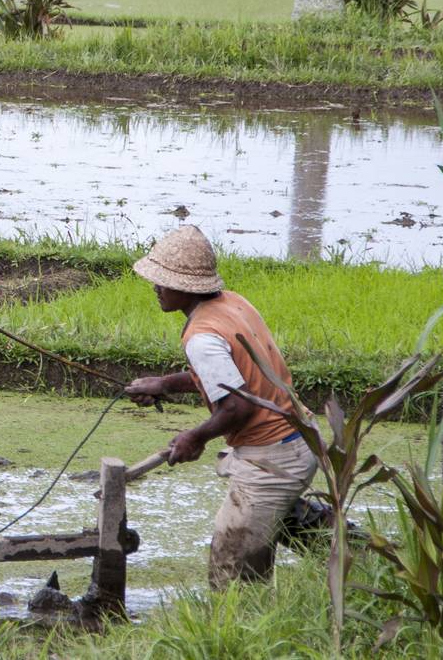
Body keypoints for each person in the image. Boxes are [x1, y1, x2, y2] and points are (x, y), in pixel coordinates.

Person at [123, 225, 317, 588]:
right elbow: (233, 374)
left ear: (185, 287)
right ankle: (344, 547)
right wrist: (165, 384)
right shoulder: (232, 302)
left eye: (162, 281)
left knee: (233, 568)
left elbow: (237, 405)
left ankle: (240, 634)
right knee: (275, 529)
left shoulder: (202, 338)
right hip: (300, 436)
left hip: (273, 456)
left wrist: (194, 438)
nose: (156, 288)